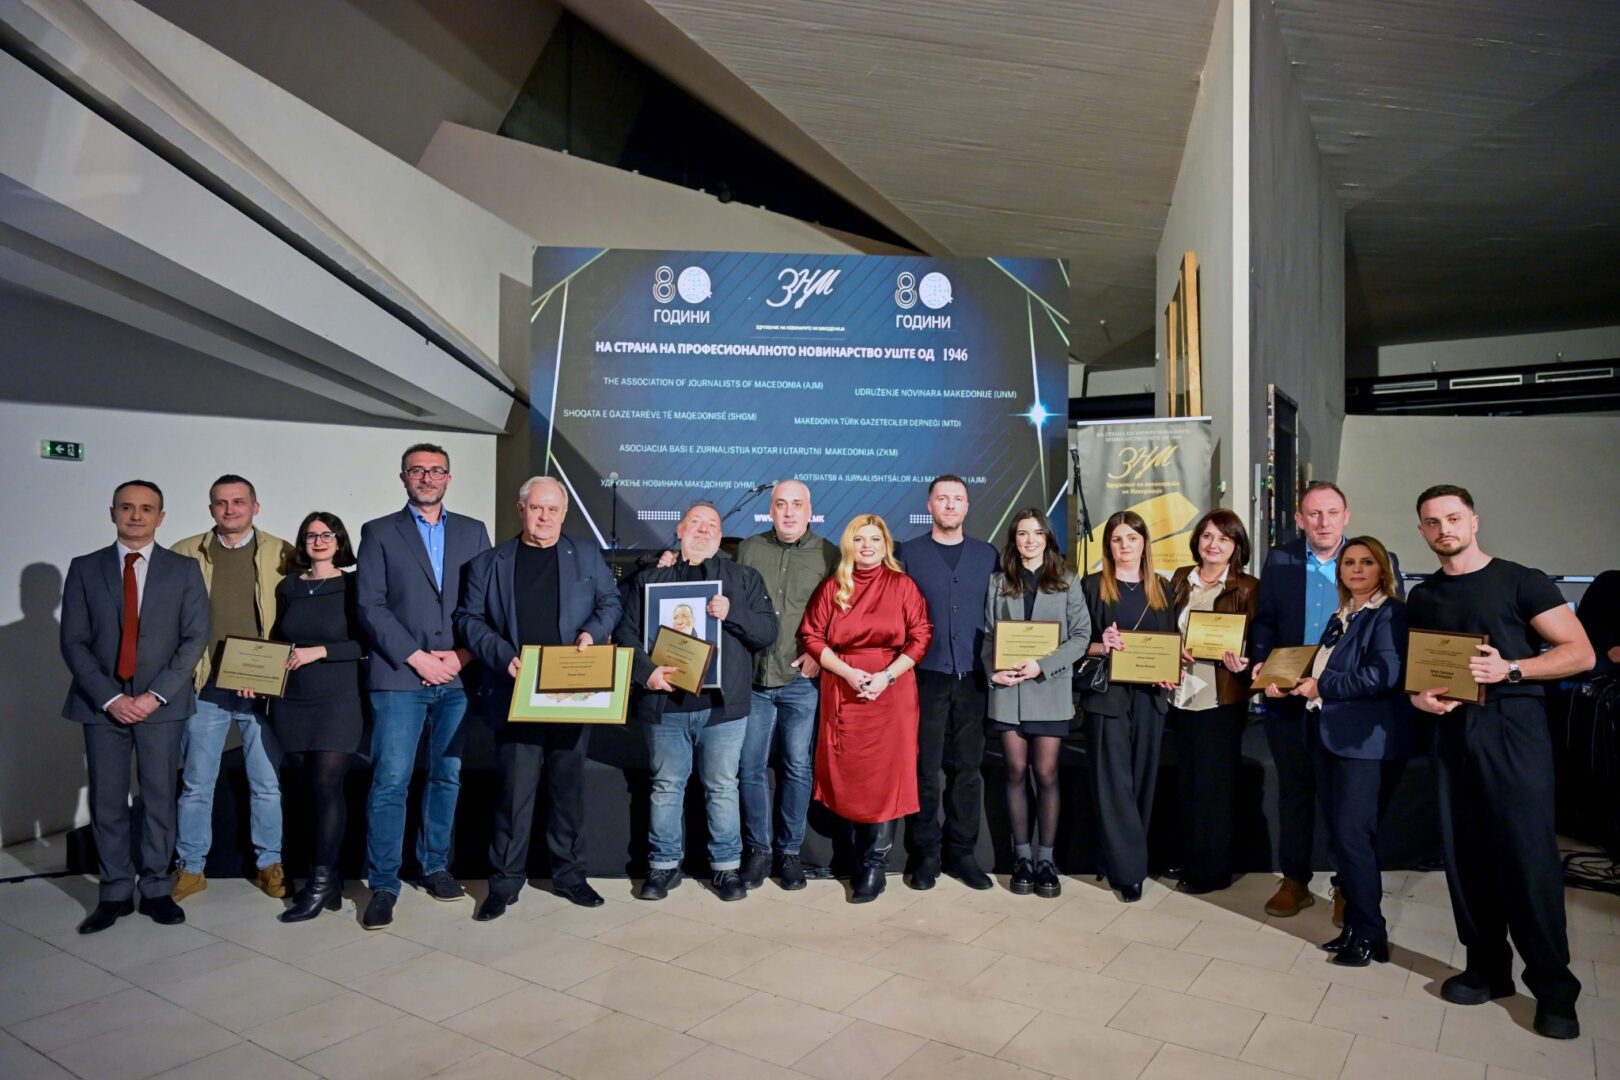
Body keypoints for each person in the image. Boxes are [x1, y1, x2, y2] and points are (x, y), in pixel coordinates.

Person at [1408, 485, 1594, 1040]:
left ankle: (1554, 989)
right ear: (1421, 531)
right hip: (1452, 734)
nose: (1444, 529)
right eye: (1432, 522)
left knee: (1527, 859)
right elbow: (1421, 671)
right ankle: (1487, 968)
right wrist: (1419, 698)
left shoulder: (1521, 580)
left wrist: (1511, 669)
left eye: (1453, 518)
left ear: (1474, 521)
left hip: (1514, 732)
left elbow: (1580, 653)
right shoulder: (1424, 596)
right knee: (1466, 857)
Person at [455, 477, 623, 920]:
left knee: (568, 789)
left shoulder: (584, 553)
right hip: (515, 691)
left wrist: (592, 633)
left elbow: (610, 603)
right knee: (514, 792)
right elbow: (468, 619)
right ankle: (504, 883)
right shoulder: (489, 563)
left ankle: (569, 875)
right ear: (521, 509)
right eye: (536, 508)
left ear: (564, 514)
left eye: (552, 509)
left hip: (572, 691)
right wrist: (502, 656)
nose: (544, 517)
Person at [1249, 481, 1403, 922]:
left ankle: (1345, 885)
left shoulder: (1372, 561)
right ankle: (1294, 880)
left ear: (1346, 516)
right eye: (1313, 514)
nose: (1323, 522)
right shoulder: (1280, 559)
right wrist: (1262, 665)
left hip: (1347, 704)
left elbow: (1390, 641)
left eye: (1332, 512)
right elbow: (1266, 621)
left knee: (1345, 803)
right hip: (1287, 698)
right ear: (1300, 519)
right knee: (1294, 793)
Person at [60, 480, 208, 933]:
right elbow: (73, 641)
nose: (136, 515)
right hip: (101, 705)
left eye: (147, 508)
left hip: (161, 705)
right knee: (107, 799)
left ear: (161, 517)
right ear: (113, 513)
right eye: (127, 507)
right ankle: (115, 892)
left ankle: (157, 888)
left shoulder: (184, 570)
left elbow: (194, 639)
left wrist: (153, 695)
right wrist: (111, 697)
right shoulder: (84, 568)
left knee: (160, 797)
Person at [355, 444, 492, 930]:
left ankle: (435, 866)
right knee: (390, 781)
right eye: (418, 470)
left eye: (436, 470)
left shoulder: (474, 531)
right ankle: (384, 883)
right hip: (399, 676)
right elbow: (370, 606)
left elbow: (486, 603)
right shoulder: (378, 532)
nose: (427, 477)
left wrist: (462, 656)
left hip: (457, 675)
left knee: (446, 776)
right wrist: (416, 657)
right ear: (403, 477)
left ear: (448, 478)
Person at [619, 502, 777, 902]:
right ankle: (663, 866)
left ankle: (726, 868)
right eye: (695, 523)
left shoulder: (743, 578)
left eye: (711, 525)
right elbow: (625, 633)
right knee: (665, 787)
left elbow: (766, 632)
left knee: (722, 787)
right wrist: (646, 672)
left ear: (720, 536)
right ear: (680, 529)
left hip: (722, 708)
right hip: (664, 704)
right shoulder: (650, 578)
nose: (703, 529)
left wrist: (732, 612)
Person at [1275, 536, 1413, 966]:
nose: (1356, 569)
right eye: (1348, 563)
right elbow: (1329, 664)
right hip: (1327, 734)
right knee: (1342, 835)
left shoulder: (1390, 613)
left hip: (1361, 743)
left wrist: (1322, 686)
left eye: (1366, 562)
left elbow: (1383, 674)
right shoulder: (1345, 612)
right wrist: (1291, 681)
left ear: (1382, 569)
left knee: (1355, 837)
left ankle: (1371, 934)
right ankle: (1354, 927)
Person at [169, 475, 295, 902]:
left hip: (261, 690)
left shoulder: (282, 552)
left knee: (266, 783)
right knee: (196, 784)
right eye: (221, 503)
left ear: (255, 507)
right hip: (205, 687)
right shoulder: (185, 553)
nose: (230, 509)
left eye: (239, 501)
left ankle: (269, 864)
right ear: (211, 509)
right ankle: (190, 868)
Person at [801, 515, 932, 902]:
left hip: (892, 691)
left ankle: (876, 865)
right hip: (844, 689)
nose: (868, 546)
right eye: (860, 539)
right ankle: (853, 857)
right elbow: (811, 636)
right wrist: (848, 673)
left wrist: (886, 677)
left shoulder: (903, 585)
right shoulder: (833, 586)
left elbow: (921, 636)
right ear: (849, 545)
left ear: (886, 544)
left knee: (887, 776)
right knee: (850, 774)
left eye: (875, 539)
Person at [734, 479, 839, 889]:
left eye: (797, 504)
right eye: (781, 504)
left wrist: (819, 653)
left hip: (801, 680)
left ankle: (790, 851)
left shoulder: (829, 554)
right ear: (771, 510)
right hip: (755, 678)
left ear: (810, 510)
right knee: (750, 768)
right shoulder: (749, 549)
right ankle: (758, 852)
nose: (789, 511)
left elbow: (842, 612)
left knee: (797, 766)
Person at [895, 475, 997, 891]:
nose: (950, 505)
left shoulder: (988, 555)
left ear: (967, 506)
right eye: (943, 498)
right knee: (924, 769)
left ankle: (963, 854)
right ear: (929, 505)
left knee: (968, 770)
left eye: (958, 499)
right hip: (924, 677)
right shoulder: (907, 554)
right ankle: (926, 855)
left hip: (974, 677)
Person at [982, 509, 1089, 898]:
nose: (1029, 540)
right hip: (1008, 690)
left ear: (1048, 538)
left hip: (1049, 689)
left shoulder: (1067, 580)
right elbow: (989, 636)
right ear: (1014, 540)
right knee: (1014, 770)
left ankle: (1046, 859)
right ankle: (1022, 858)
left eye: (1036, 533)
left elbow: (1081, 636)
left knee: (1045, 774)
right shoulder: (999, 582)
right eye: (1022, 534)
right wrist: (992, 672)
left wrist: (1042, 664)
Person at [269, 512, 366, 923]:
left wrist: (320, 651)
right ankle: (330, 881)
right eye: (311, 535)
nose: (319, 541)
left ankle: (320, 882)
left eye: (327, 534)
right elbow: (277, 640)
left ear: (339, 541)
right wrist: (254, 676)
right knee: (306, 791)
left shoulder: (355, 584)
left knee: (327, 788)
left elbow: (367, 642)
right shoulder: (289, 586)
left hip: (337, 701)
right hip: (292, 702)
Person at [1081, 510, 1177, 902]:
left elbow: (1170, 639)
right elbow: (1076, 643)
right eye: (1117, 539)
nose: (1125, 545)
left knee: (1142, 782)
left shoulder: (1162, 587)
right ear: (1108, 546)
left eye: (1132, 538)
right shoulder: (1092, 586)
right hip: (1108, 699)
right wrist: (1101, 644)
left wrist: (1170, 669)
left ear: (1144, 543)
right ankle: (1130, 871)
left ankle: (1115, 856)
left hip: (1151, 699)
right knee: (1114, 785)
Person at [1167, 509, 1258, 895]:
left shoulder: (1248, 587)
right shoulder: (1179, 580)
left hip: (1220, 699)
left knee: (1214, 790)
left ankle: (1212, 870)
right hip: (1178, 697)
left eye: (1224, 538)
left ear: (1237, 546)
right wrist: (1171, 650)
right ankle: (1189, 857)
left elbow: (1257, 642)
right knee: (1187, 784)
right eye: (1207, 536)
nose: (1213, 545)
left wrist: (1245, 661)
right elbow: (1165, 629)